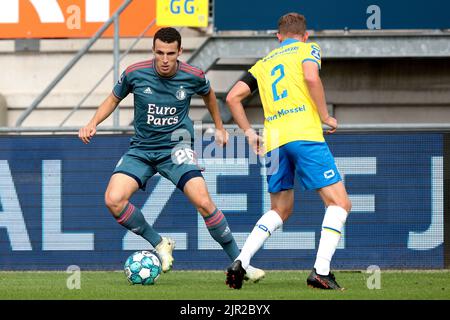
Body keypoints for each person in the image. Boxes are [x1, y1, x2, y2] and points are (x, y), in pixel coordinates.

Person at [78, 27, 264, 281]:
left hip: (177, 149)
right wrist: (93, 123)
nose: (164, 59)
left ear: (180, 52)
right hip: (142, 150)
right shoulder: (135, 73)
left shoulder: (193, 75)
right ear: (153, 51)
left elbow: (209, 95)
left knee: (204, 202)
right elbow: (113, 99)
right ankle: (159, 243)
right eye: (159, 53)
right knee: (113, 199)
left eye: (170, 54)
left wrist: (220, 127)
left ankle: (240, 263)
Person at [224, 13, 352, 290]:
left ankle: (241, 262)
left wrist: (248, 133)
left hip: (274, 141)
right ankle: (321, 271)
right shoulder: (309, 49)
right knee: (339, 203)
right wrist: (325, 116)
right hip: (304, 135)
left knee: (280, 209)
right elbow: (310, 76)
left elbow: (233, 96)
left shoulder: (264, 63)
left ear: (278, 36)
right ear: (305, 35)